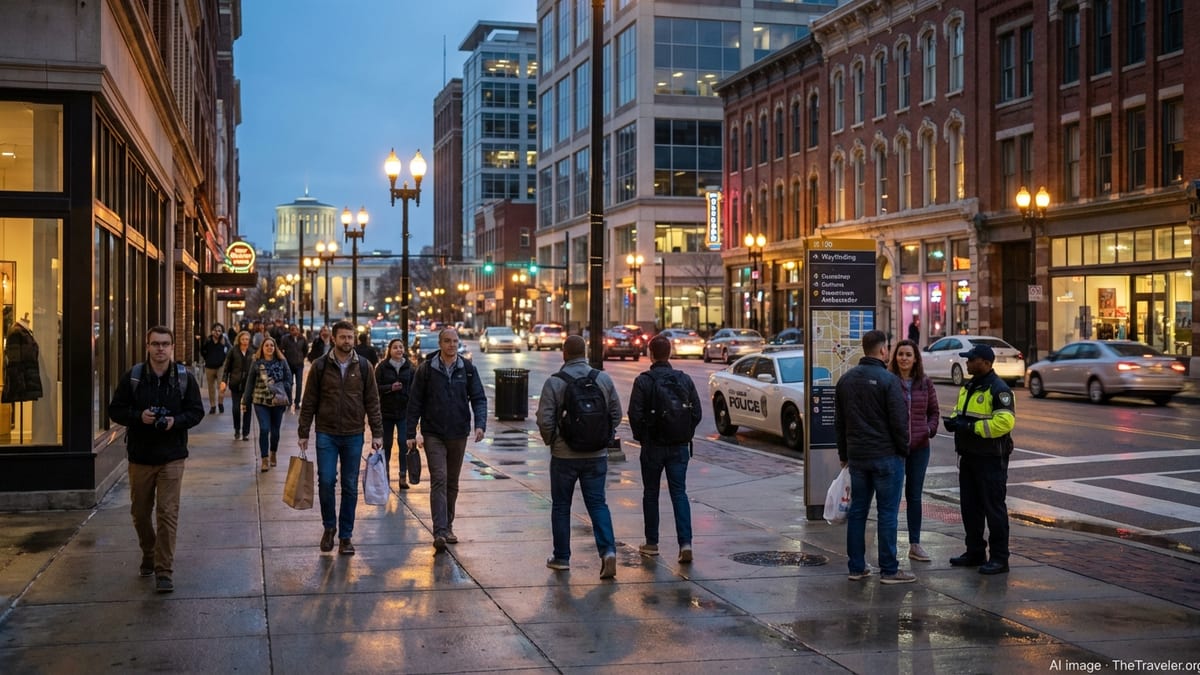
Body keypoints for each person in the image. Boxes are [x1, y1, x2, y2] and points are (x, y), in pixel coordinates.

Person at [107, 326, 205, 593]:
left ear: (172, 347)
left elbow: (197, 412)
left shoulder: (184, 378)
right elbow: (115, 410)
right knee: (140, 513)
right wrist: (139, 417)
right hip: (140, 457)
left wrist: (175, 421)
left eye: (165, 344)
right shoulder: (135, 377)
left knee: (167, 513)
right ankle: (148, 552)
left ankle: (164, 570)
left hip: (172, 456)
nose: (160, 349)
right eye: (155, 344)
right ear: (147, 346)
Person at [535, 335, 621, 578]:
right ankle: (608, 551)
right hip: (596, 455)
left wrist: (552, 440)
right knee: (597, 503)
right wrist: (604, 437)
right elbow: (616, 413)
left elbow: (545, 419)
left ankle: (561, 557)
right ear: (585, 353)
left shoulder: (555, 382)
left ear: (564, 354)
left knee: (562, 506)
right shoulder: (602, 379)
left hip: (564, 456)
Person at [835, 329, 914, 584]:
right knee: (887, 513)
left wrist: (844, 454)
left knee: (858, 511)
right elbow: (899, 422)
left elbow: (840, 422)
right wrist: (903, 451)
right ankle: (889, 569)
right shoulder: (889, 381)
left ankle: (856, 567)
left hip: (858, 457)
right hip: (886, 456)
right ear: (883, 351)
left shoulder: (846, 380)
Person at [298, 320, 382, 555]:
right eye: (343, 337)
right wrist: (303, 431)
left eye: (350, 337)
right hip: (326, 432)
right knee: (325, 481)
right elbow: (309, 401)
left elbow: (372, 401)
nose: (347, 341)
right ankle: (329, 527)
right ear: (333, 339)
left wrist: (377, 432)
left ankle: (346, 536)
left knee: (349, 486)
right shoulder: (320, 366)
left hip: (354, 434)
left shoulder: (364, 367)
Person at [406, 328, 487, 552]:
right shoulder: (426, 370)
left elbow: (479, 398)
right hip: (433, 433)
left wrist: (480, 424)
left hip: (458, 433)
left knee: (452, 482)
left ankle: (448, 525)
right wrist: (411, 434)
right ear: (440, 344)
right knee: (439, 479)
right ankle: (439, 530)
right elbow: (414, 402)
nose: (452, 345)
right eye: (447, 341)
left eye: (455, 341)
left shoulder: (467, 369)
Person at [627, 334, 702, 564]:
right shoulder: (684, 379)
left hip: (653, 446)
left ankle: (652, 543)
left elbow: (634, 414)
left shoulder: (643, 381)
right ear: (669, 353)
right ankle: (685, 543)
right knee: (679, 493)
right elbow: (696, 413)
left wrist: (643, 437)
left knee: (651, 493)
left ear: (650, 353)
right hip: (679, 446)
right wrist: (684, 433)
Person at [944, 344, 1015, 575]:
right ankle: (975, 551)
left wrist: (970, 428)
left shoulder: (998, 389)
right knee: (970, 508)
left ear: (984, 362)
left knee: (993, 509)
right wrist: (955, 421)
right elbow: (960, 411)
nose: (967, 362)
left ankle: (999, 558)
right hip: (969, 457)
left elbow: (1004, 423)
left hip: (990, 458)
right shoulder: (970, 386)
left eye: (971, 359)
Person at [888, 339, 940, 563]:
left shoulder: (924, 383)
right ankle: (888, 544)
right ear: (895, 357)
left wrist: (928, 430)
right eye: (900, 354)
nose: (904, 358)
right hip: (895, 448)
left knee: (914, 496)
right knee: (892, 496)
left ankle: (915, 544)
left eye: (908, 355)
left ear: (916, 358)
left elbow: (934, 412)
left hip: (920, 448)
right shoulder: (889, 381)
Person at [242, 337, 292, 472]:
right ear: (262, 348)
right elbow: (250, 382)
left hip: (278, 401)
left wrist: (282, 388)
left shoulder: (282, 362)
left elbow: (289, 379)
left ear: (275, 348)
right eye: (266, 346)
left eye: (272, 345)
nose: (269, 348)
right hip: (260, 401)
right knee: (264, 429)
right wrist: (245, 401)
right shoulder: (257, 363)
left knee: (275, 431)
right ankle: (264, 459)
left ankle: (273, 452)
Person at [375, 338, 415, 489]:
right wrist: (390, 388)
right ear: (389, 350)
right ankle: (385, 475)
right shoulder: (382, 367)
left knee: (403, 444)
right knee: (387, 444)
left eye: (400, 347)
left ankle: (402, 476)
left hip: (404, 411)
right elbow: (375, 387)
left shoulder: (410, 367)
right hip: (387, 411)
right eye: (395, 347)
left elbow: (415, 387)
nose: (398, 350)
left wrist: (407, 395)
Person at [222, 330, 254, 441]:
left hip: (248, 385)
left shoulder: (252, 351)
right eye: (243, 339)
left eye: (247, 339)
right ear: (239, 339)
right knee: (236, 408)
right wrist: (224, 381)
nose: (245, 341)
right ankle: (237, 429)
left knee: (247, 409)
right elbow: (227, 368)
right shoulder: (233, 351)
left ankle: (246, 433)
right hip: (235, 383)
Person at [199, 323, 230, 414]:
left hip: (220, 366)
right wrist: (207, 358)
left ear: (222, 332)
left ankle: (220, 403)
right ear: (212, 331)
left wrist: (225, 359)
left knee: (221, 386)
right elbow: (202, 350)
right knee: (211, 388)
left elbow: (230, 350)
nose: (217, 332)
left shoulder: (224, 340)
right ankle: (213, 406)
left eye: (219, 331)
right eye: (215, 330)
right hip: (209, 367)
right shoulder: (208, 340)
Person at [279, 324, 308, 410]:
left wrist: (302, 357)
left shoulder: (302, 339)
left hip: (299, 364)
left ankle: (297, 402)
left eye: (295, 329)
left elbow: (305, 350)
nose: (294, 331)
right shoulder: (285, 339)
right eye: (292, 330)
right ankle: (289, 400)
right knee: (289, 383)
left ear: (298, 330)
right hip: (289, 364)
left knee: (299, 384)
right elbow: (281, 349)